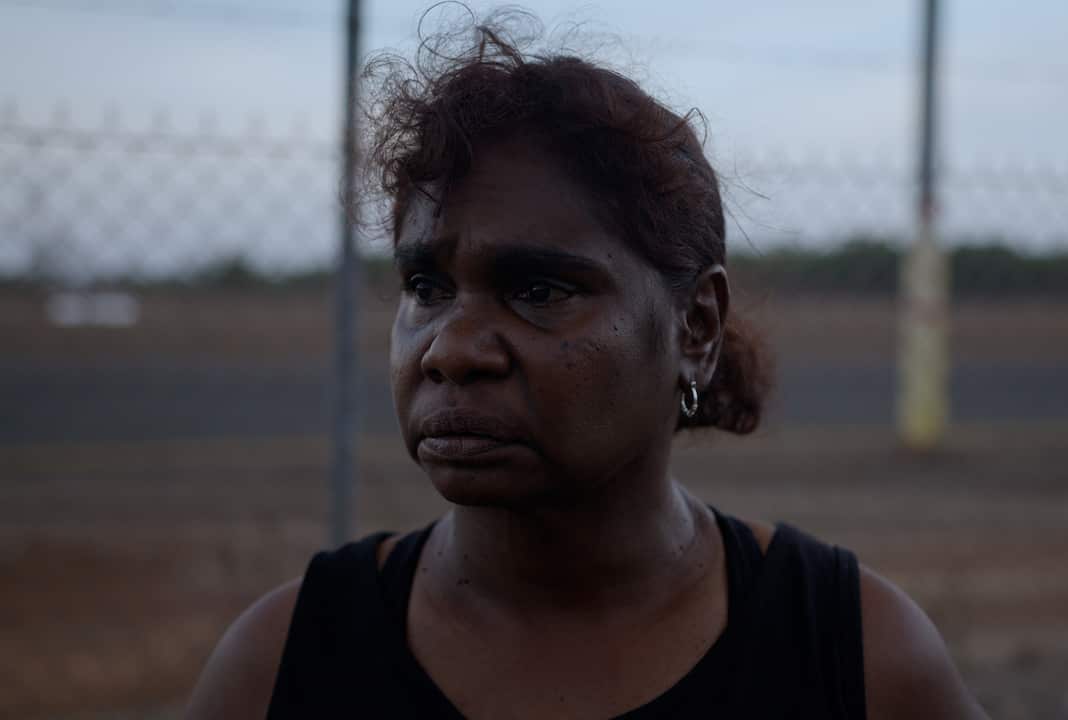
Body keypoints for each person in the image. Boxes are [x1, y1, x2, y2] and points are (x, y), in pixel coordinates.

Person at [187, 9, 989, 719]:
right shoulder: (283, 665)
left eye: (538, 288)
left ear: (696, 327)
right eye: (426, 286)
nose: (452, 349)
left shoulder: (856, 660)